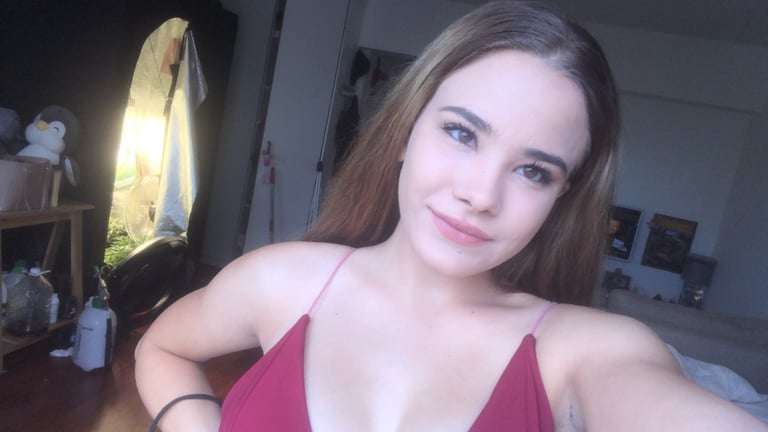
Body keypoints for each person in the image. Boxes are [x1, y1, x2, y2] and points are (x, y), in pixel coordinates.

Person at [135, 1, 767, 431]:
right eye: (463, 134)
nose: (481, 194)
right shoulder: (281, 279)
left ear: (561, 196)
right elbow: (161, 347)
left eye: (533, 171)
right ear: (406, 131)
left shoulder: (583, 351)